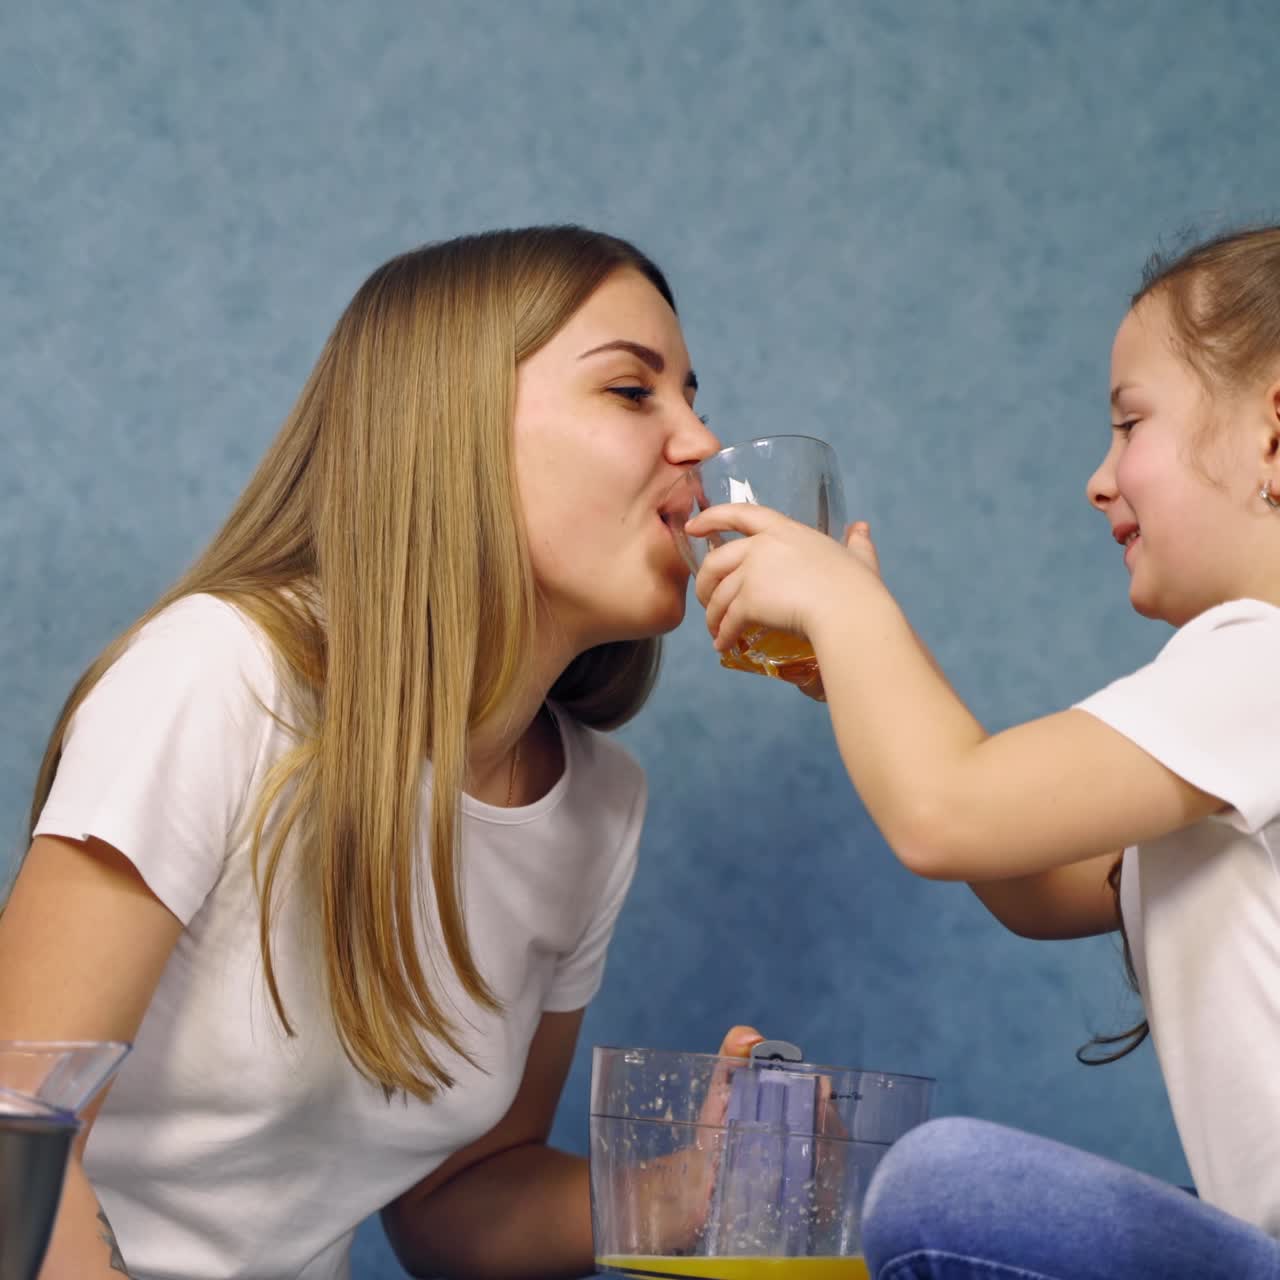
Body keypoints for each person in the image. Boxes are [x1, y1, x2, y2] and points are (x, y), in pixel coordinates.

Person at [0, 224, 760, 1280]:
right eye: (634, 393)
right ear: (450, 429)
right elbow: (12, 1136)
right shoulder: (220, 675)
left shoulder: (597, 805)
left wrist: (676, 1192)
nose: (699, 442)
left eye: (692, 397)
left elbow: (458, 1197)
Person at [687, 224, 1280, 1277]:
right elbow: (1033, 878)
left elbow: (945, 812)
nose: (1097, 480)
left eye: (1128, 423)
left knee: (942, 1183)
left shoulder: (1259, 659)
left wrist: (836, 600)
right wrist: (860, 669)